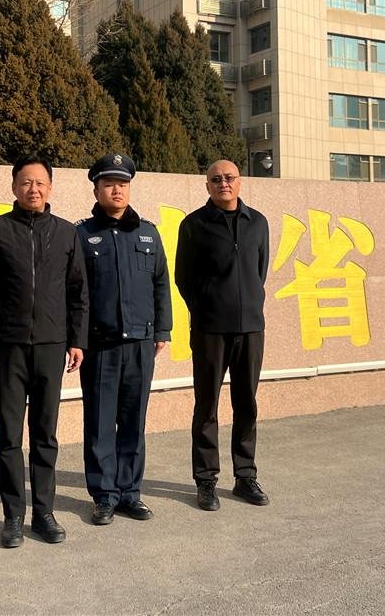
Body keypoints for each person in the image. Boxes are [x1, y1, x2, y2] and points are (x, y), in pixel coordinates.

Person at [0, 155, 88, 546]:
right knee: (9, 435)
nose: (32, 189)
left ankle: (44, 513)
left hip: (52, 347)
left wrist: (77, 340)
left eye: (39, 182)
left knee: (45, 434)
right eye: (25, 182)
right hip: (7, 348)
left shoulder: (67, 233)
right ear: (14, 187)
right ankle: (12, 516)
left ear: (50, 187)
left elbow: (78, 292)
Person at [76, 154, 172, 526]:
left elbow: (161, 283)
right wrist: (77, 339)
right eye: (109, 184)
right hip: (100, 345)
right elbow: (76, 292)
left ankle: (130, 493)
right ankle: (104, 495)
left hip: (140, 344)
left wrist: (162, 330)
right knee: (100, 422)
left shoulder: (148, 233)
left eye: (123, 184)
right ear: (96, 190)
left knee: (134, 420)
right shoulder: (82, 234)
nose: (117, 190)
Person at [175, 159, 270, 511]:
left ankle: (245, 476)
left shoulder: (258, 222)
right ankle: (206, 480)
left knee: (247, 404)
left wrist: (247, 304)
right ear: (207, 186)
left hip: (251, 329)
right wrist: (207, 307)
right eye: (216, 179)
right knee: (207, 406)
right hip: (209, 330)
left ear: (240, 181)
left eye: (229, 177)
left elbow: (260, 270)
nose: (223, 183)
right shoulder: (194, 225)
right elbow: (183, 277)